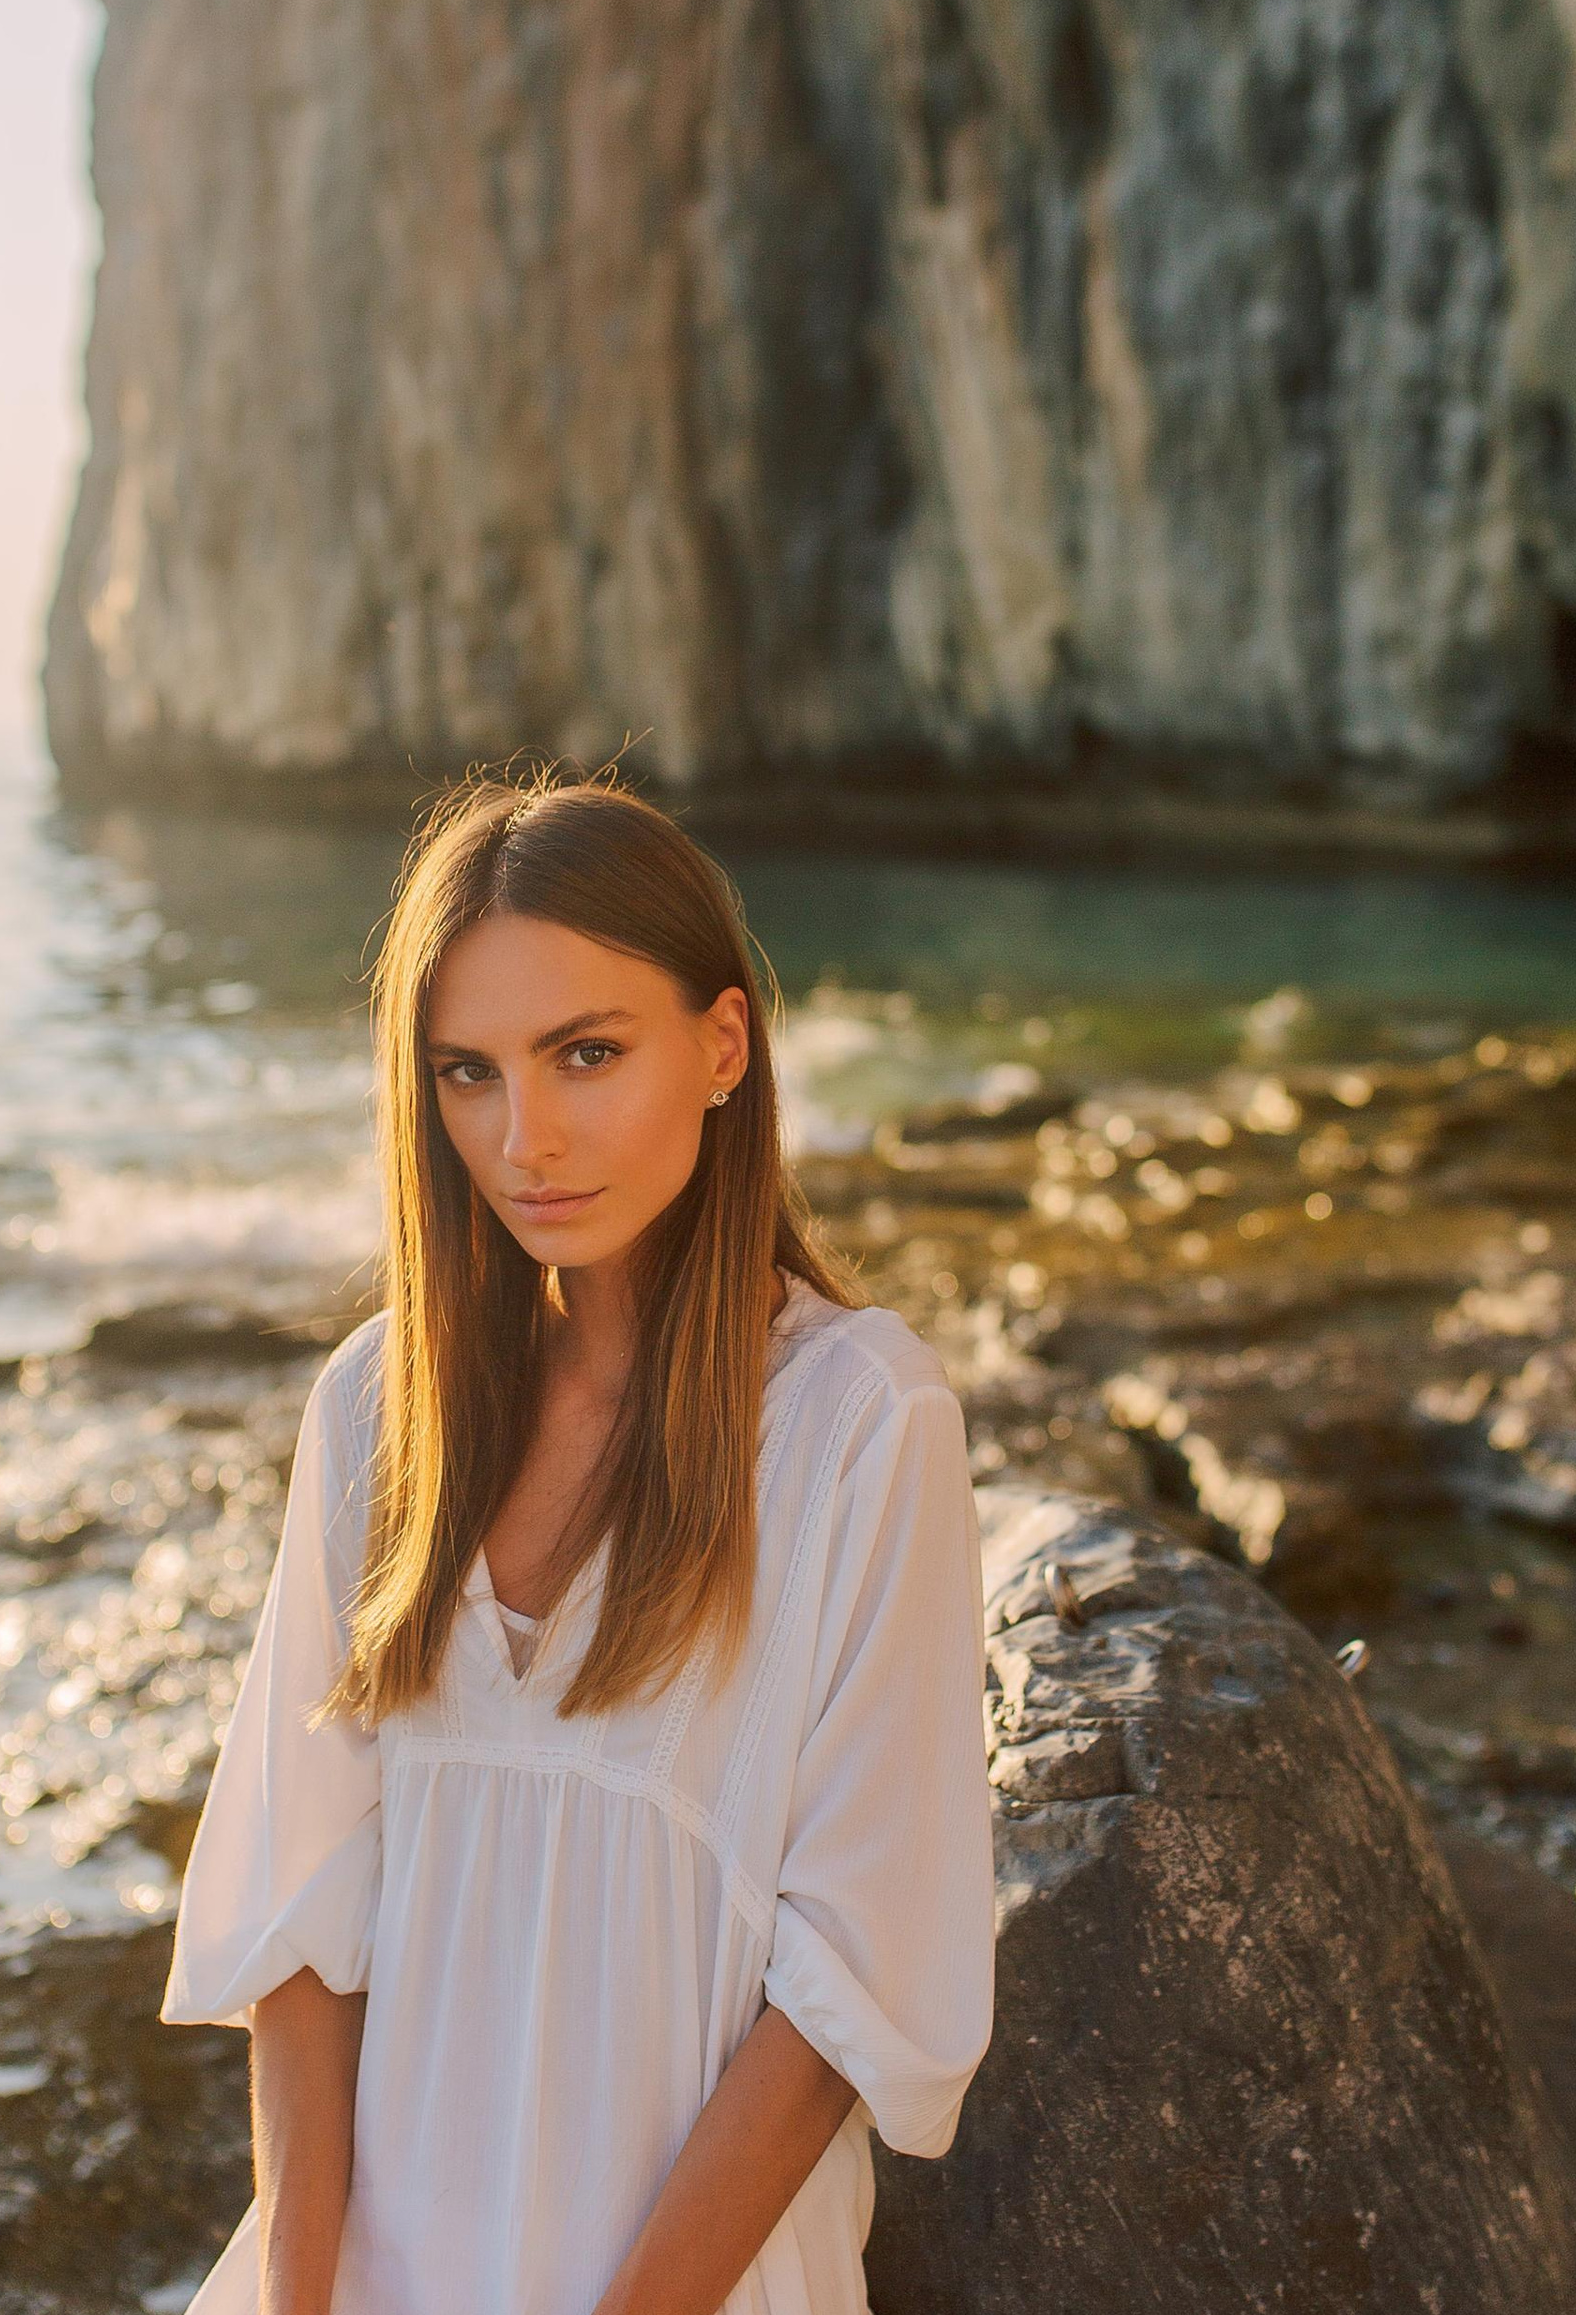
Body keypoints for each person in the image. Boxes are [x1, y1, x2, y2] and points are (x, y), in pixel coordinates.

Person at [159, 764, 998, 2315]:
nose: (524, 1136)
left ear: (724, 1045)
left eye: (586, 1054)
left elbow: (853, 1982)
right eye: (468, 1073)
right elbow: (300, 1918)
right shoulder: (380, 1408)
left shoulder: (862, 1423)